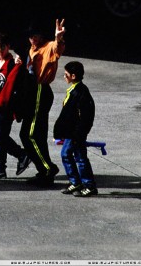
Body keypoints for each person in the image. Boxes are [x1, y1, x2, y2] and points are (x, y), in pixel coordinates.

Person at [14, 18, 66, 187]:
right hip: (31, 92)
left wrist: (58, 38)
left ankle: (47, 168)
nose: (33, 38)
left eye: (36, 35)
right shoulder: (30, 49)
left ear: (41, 36)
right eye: (30, 36)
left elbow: (57, 48)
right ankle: (44, 173)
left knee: (29, 135)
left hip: (39, 91)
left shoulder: (47, 47)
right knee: (37, 136)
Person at [0, 33, 30, 179]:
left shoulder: (12, 63)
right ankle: (5, 164)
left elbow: (12, 84)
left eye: (2, 47)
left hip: (5, 107)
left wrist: (19, 61)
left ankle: (3, 165)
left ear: (8, 47)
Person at [53, 61, 97, 197]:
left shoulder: (81, 93)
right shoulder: (74, 90)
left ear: (73, 76)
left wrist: (79, 134)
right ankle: (76, 182)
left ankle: (89, 185)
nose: (64, 77)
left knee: (80, 157)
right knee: (67, 155)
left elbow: (85, 117)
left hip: (76, 134)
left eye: (65, 74)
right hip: (71, 133)